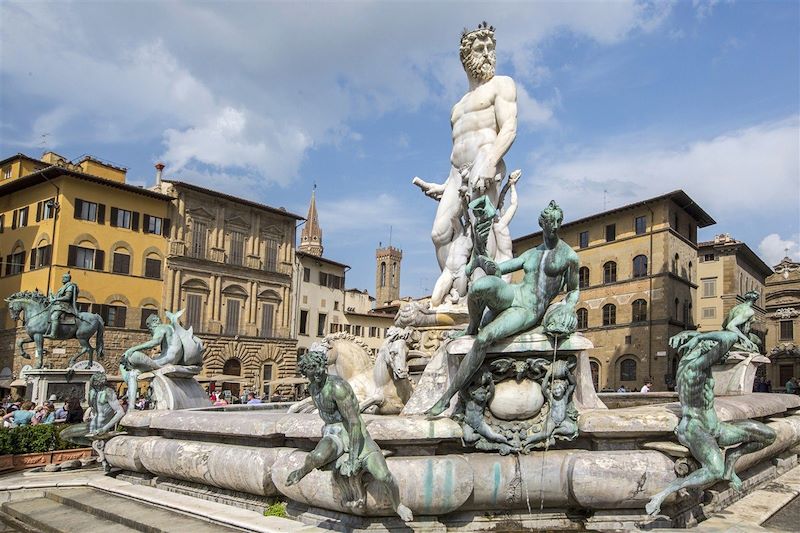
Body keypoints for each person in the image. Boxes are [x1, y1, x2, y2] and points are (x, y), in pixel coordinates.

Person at [425, 201, 580, 416]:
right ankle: (471, 326)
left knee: (484, 339)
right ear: (542, 224)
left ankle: (447, 397)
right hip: (515, 293)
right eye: (549, 222)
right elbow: (497, 270)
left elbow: (574, 290)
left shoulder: (570, 257)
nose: (553, 227)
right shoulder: (531, 254)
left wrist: (567, 308)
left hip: (528, 309)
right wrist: (480, 251)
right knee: (480, 286)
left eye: (557, 222)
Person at [413, 22, 517, 272]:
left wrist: (491, 161)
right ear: (465, 57)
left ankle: (484, 287)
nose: (487, 53)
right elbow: (458, 154)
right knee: (439, 234)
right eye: (480, 48)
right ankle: (457, 288)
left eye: (490, 47)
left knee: (481, 225)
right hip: (456, 175)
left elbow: (510, 128)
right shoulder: (457, 108)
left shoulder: (501, 84)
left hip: (485, 162)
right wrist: (445, 185)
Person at [646, 330, 775, 516]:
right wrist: (699, 337)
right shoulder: (694, 367)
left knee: (769, 435)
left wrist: (692, 334)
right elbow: (729, 337)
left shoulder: (702, 366)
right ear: (702, 348)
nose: (719, 353)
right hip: (695, 428)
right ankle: (664, 493)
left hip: (715, 427)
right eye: (712, 348)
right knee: (714, 471)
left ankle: (731, 460)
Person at [286, 348, 413, 522]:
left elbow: (354, 422)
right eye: (310, 373)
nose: (316, 375)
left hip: (356, 433)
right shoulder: (312, 387)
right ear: (305, 373)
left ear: (323, 367)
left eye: (317, 370)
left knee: (383, 475)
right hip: (334, 433)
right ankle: (299, 473)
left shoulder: (337, 387)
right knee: (316, 456)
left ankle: (397, 504)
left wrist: (353, 458)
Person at [44, 272, 79, 338]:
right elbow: (58, 297)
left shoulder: (70, 286)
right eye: (62, 277)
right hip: (59, 305)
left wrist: (55, 299)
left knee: (54, 316)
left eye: (64, 277)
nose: (62, 279)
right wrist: (51, 296)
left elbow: (67, 297)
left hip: (65, 306)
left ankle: (53, 334)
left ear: (68, 279)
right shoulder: (63, 287)